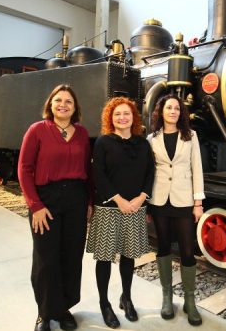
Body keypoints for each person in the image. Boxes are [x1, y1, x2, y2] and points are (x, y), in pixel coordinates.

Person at [17, 84, 92, 331]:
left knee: (71, 256)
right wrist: (35, 205)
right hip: (46, 200)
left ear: (75, 107)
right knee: (46, 258)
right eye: (58, 100)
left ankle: (64, 308)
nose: (63, 104)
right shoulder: (37, 130)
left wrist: (89, 202)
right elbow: (25, 169)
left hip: (76, 199)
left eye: (68, 101)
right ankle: (45, 313)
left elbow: (88, 171)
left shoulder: (81, 133)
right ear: (50, 104)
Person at [85, 96, 155, 329]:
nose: (122, 117)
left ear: (133, 117)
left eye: (126, 113)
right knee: (104, 258)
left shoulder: (143, 144)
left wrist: (140, 198)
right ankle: (105, 304)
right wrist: (119, 200)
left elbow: (150, 174)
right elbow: (99, 175)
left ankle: (126, 297)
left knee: (129, 255)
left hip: (135, 207)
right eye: (117, 114)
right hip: (108, 208)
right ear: (110, 118)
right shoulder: (103, 142)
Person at [147, 94, 205, 326]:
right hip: (160, 199)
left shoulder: (191, 136)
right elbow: (148, 171)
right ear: (161, 112)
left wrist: (198, 202)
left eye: (177, 109)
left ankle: (190, 301)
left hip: (183, 200)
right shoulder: (151, 138)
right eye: (168, 108)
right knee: (162, 247)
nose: (173, 111)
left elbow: (197, 169)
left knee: (187, 250)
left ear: (181, 113)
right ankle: (167, 297)